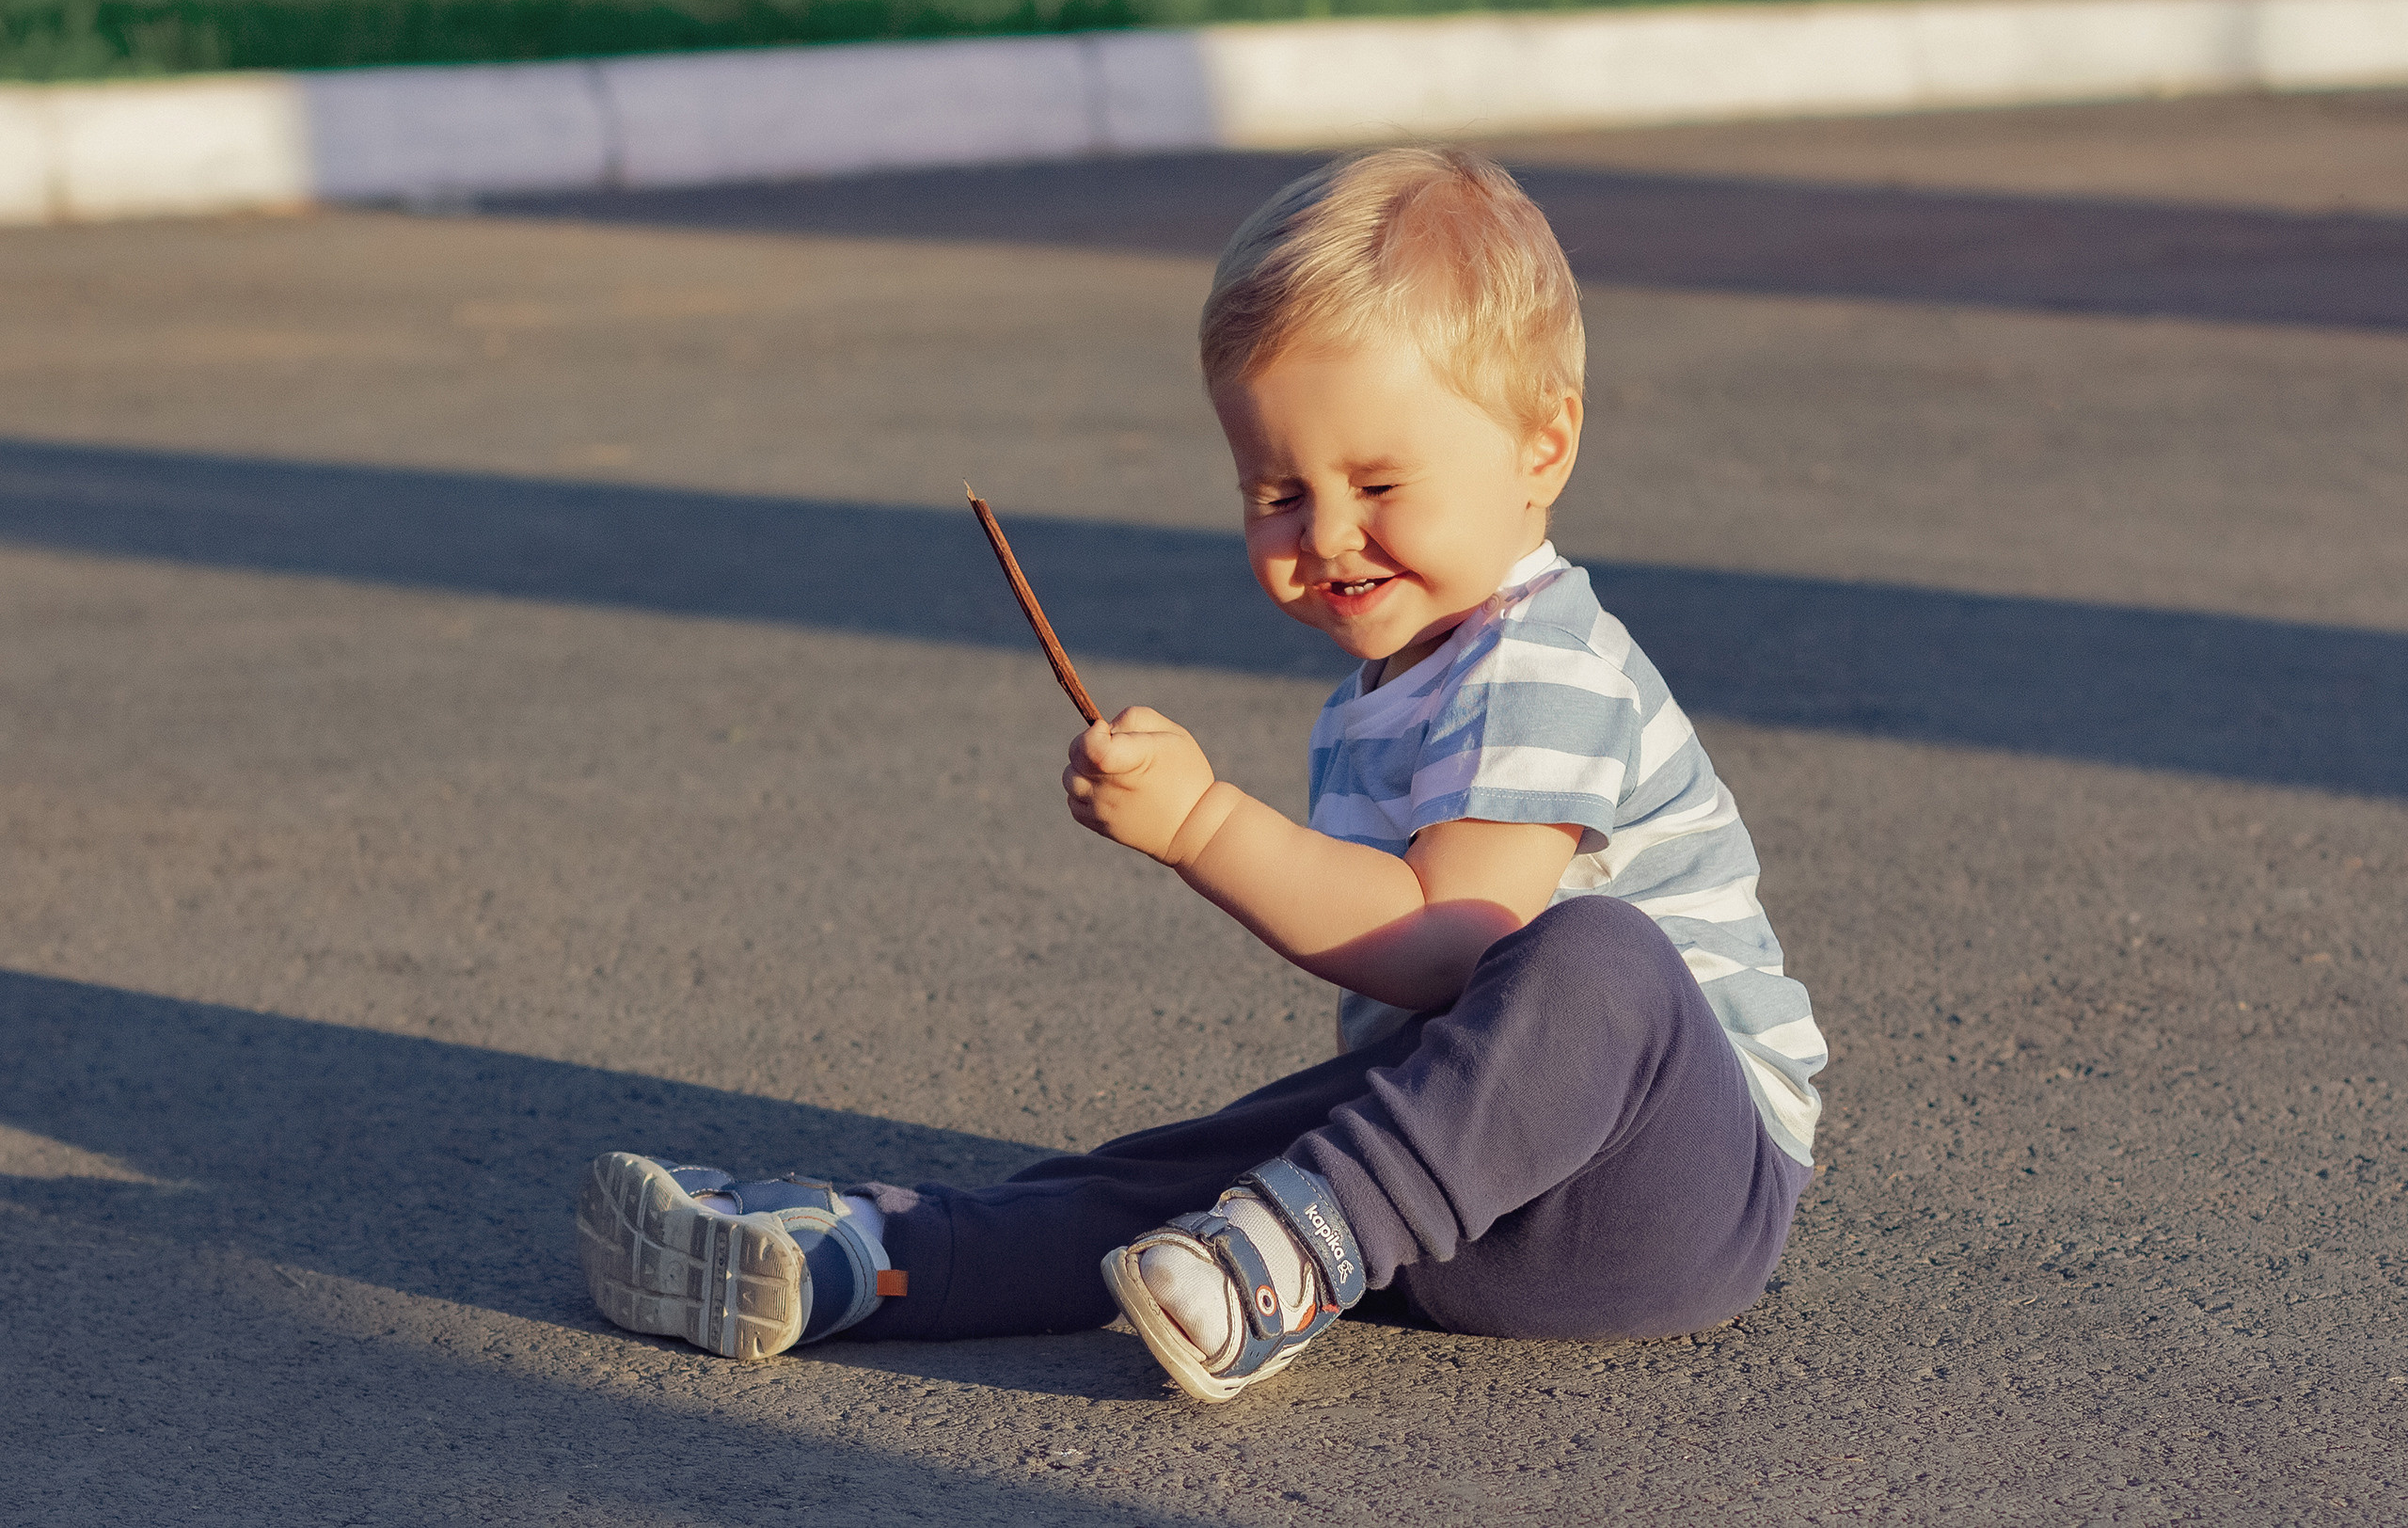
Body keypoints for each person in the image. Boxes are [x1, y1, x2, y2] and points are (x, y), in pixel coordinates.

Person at [577, 146, 1827, 1402]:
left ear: (1542, 447)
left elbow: (1449, 942)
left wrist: (1206, 824)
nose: (1327, 535)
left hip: (1668, 1196)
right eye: (1277, 493)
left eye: (1379, 484)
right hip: (1450, 1208)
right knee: (1184, 1172)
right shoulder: (1376, 698)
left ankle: (1294, 1245)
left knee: (1593, 955)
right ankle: (878, 1259)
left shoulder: (1546, 661)